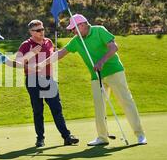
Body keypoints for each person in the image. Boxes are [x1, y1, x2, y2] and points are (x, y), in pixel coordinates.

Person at [35, 14, 147, 146]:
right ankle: (102, 137)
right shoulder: (77, 40)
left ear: (82, 25)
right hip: (96, 76)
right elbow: (61, 53)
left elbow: (114, 47)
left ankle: (140, 135)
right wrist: (42, 64)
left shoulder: (99, 30)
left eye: (74, 29)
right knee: (99, 107)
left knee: (126, 101)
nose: (73, 32)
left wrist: (102, 61)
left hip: (114, 71)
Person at [16, 19, 79, 148]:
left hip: (48, 79)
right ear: (31, 32)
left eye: (42, 29)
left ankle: (67, 136)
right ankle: (40, 138)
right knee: (38, 110)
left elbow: (53, 56)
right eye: (38, 30)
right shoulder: (26, 45)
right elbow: (18, 62)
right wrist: (32, 53)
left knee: (56, 108)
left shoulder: (49, 42)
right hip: (33, 80)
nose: (41, 32)